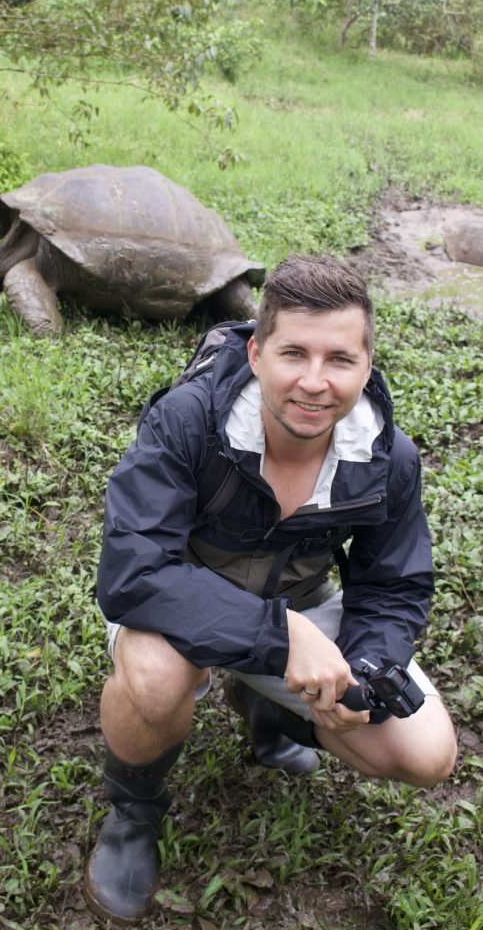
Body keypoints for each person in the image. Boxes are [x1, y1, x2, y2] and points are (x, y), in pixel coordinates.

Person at [83, 254, 457, 926]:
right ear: (256, 354)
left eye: (339, 359)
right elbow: (134, 573)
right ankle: (133, 813)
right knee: (155, 677)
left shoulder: (385, 456)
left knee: (424, 752)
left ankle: (266, 710)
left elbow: (393, 583)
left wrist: (369, 666)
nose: (314, 383)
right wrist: (280, 637)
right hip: (180, 608)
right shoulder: (188, 421)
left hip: (300, 608)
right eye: (293, 354)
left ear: (366, 366)